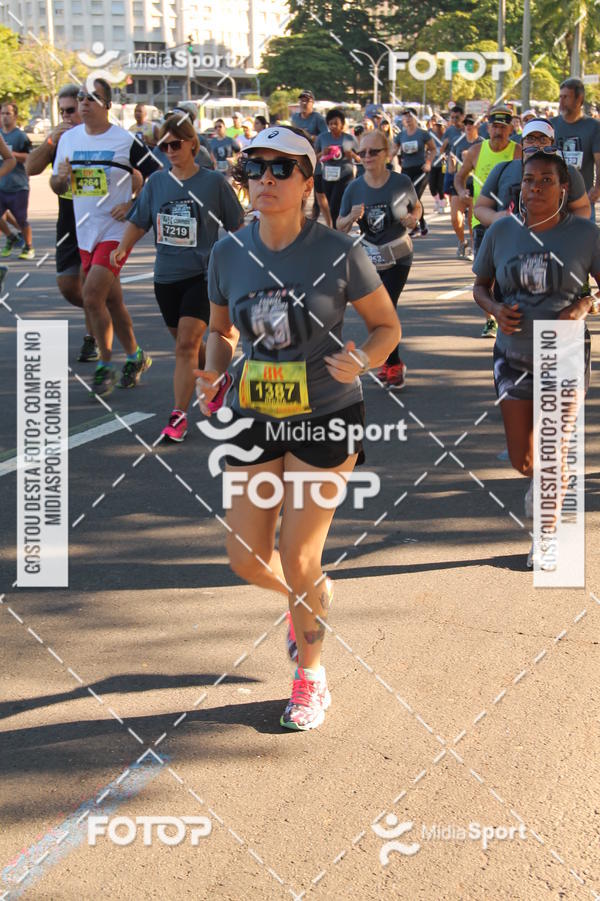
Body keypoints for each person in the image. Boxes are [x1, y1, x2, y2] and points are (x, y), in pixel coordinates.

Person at [195, 125, 400, 730]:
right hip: (256, 414)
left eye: (281, 169)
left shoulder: (339, 251)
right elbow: (219, 330)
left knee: (299, 553)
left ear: (308, 181)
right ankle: (310, 598)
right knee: (243, 557)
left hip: (327, 414)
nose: (265, 179)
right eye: (255, 168)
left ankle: (310, 677)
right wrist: (213, 371)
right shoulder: (229, 252)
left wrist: (363, 357)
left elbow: (387, 327)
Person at [472, 149, 600, 567]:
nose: (536, 187)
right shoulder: (502, 231)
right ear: (520, 186)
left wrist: (584, 306)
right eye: (529, 179)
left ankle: (546, 535)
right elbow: (481, 286)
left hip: (560, 349)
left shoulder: (585, 235)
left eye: (546, 179)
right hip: (511, 355)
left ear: (564, 188)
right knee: (523, 459)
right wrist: (493, 309)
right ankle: (549, 480)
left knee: (554, 449)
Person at [110, 115, 244, 441]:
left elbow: (237, 226)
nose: (169, 150)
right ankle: (217, 378)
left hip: (203, 275)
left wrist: (247, 263)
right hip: (166, 279)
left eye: (175, 144)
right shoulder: (157, 183)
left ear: (192, 144)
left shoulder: (212, 183)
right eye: (164, 145)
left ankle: (178, 416)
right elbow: (140, 220)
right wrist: (122, 247)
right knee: (191, 349)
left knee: (186, 344)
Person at [51, 78, 158, 396]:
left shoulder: (124, 140)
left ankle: (104, 366)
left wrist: (133, 203)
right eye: (81, 97)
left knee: (92, 296)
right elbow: (58, 186)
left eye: (92, 98)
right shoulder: (68, 140)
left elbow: (156, 175)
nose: (84, 102)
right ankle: (136, 356)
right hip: (85, 232)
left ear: (107, 105)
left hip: (116, 232)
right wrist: (61, 179)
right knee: (113, 301)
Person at [337, 128, 421, 389]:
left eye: (374, 152)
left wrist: (413, 217)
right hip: (370, 257)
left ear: (387, 153)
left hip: (398, 256)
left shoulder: (401, 182)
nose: (367, 156)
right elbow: (339, 226)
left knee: (387, 306)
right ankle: (390, 362)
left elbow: (416, 206)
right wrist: (351, 217)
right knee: (377, 313)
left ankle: (393, 364)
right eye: (362, 152)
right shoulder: (354, 188)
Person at [26, 84, 99, 362]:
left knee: (87, 280)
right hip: (68, 218)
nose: (67, 117)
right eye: (63, 112)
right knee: (69, 286)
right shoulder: (60, 140)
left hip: (96, 218)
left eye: (72, 110)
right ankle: (102, 311)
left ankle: (91, 339)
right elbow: (31, 168)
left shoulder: (99, 137)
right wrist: (49, 142)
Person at [455, 106, 521, 337]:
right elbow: (459, 176)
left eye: (503, 127)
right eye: (494, 126)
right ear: (488, 127)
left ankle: (509, 312)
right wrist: (462, 191)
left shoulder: (517, 152)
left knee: (507, 271)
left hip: (510, 221)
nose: (498, 131)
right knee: (485, 273)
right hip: (481, 219)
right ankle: (490, 320)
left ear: (511, 129)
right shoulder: (476, 151)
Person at [474, 118, 590, 228]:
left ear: (551, 143)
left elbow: (582, 207)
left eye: (543, 139)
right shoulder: (502, 169)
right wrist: (496, 217)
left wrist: (567, 227)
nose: (536, 144)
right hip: (510, 242)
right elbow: (480, 208)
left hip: (555, 244)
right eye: (530, 139)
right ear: (522, 143)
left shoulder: (567, 172)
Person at [551, 77, 600, 221]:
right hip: (554, 199)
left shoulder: (593, 127)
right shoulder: (551, 125)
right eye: (560, 97)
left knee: (584, 241)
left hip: (582, 199)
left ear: (579, 99)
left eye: (566, 97)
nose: (561, 102)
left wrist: (597, 188)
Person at [393, 108, 435, 236]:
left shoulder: (423, 134)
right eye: (404, 117)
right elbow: (392, 151)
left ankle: (416, 224)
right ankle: (420, 223)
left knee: (415, 196)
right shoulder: (401, 136)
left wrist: (428, 163)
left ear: (415, 118)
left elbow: (433, 149)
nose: (407, 120)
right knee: (407, 198)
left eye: (410, 117)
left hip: (421, 169)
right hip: (407, 169)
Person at [314, 107, 359, 229]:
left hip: (345, 175)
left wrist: (352, 155)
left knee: (335, 205)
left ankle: (337, 230)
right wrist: (322, 153)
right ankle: (340, 228)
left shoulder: (349, 138)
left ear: (342, 124)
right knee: (331, 205)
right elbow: (314, 158)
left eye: (336, 123)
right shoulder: (322, 138)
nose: (333, 126)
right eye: (330, 124)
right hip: (328, 176)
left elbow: (361, 158)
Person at [0, 101, 34, 260]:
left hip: (18, 185)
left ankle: (28, 247)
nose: (5, 117)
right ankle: (11, 237)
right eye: (2, 113)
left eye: (8, 113)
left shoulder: (20, 136)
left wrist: (11, 154)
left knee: (21, 219)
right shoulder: (0, 134)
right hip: (1, 184)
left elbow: (31, 157)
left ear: (15, 116)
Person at [291, 90, 329, 221]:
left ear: (312, 103)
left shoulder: (318, 118)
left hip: (316, 157)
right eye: (301, 100)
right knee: (300, 187)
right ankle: (299, 215)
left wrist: (311, 136)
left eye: (307, 100)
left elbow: (325, 136)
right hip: (300, 157)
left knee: (319, 191)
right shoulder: (295, 118)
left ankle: (324, 217)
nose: (303, 103)